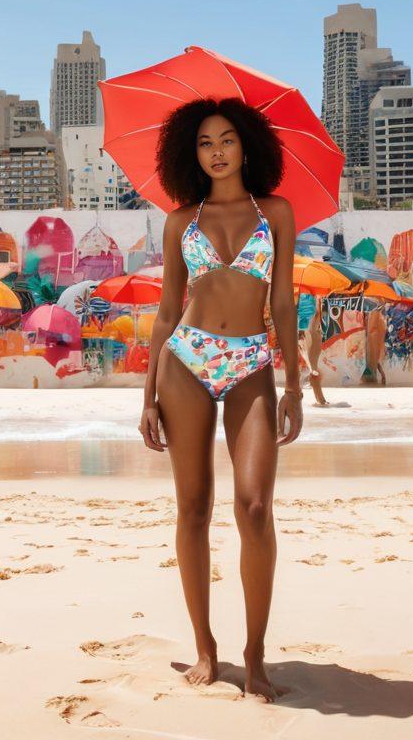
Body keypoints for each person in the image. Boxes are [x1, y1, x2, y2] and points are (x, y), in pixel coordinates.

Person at [139, 97, 303, 702]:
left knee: (255, 508)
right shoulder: (180, 220)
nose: (216, 152)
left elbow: (283, 303)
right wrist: (147, 396)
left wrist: (292, 384)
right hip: (186, 361)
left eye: (227, 140)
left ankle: (254, 654)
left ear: (248, 144)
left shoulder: (277, 213)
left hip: (251, 364)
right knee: (193, 509)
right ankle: (205, 649)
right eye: (205, 143)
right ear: (192, 152)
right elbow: (164, 314)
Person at [296, 292, 328, 407]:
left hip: (303, 328)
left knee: (310, 366)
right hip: (310, 329)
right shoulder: (313, 289)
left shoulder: (298, 289)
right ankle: (320, 400)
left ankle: (318, 398)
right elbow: (317, 313)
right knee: (313, 367)